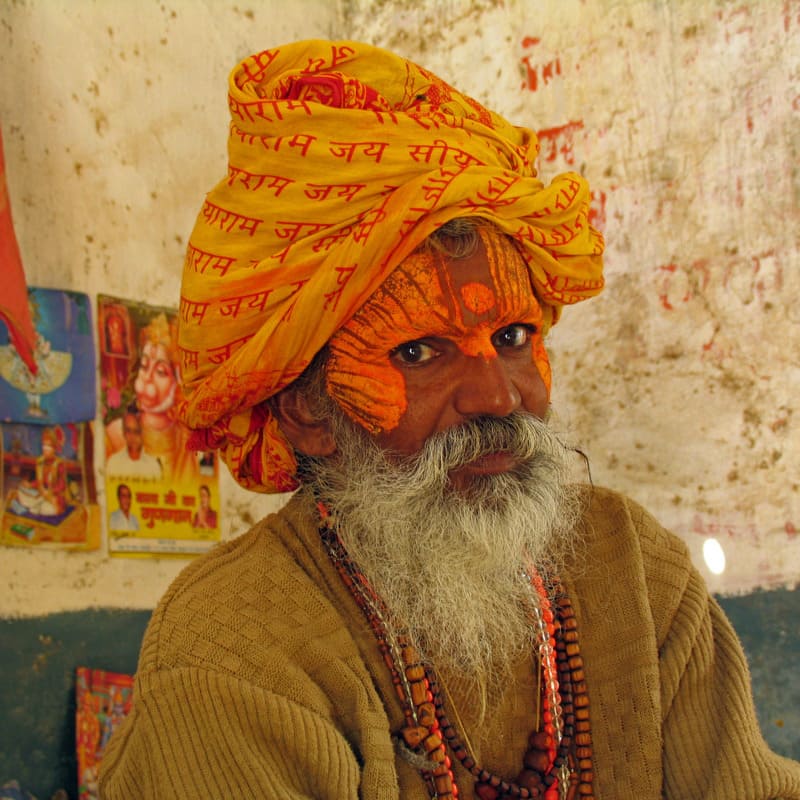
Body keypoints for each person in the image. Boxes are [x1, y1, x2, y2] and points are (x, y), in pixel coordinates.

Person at [100, 40, 800, 800]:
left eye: (513, 338)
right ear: (304, 410)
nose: (497, 397)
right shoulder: (231, 648)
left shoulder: (633, 568)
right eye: (421, 351)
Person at [105, 313, 198, 484]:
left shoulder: (186, 442)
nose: (147, 377)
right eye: (144, 365)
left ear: (178, 382)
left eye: (161, 371)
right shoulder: (114, 435)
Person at [7, 426, 67, 517]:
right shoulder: (40, 462)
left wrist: (51, 492)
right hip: (40, 495)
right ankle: (34, 507)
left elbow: (62, 485)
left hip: (53, 498)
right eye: (44, 445)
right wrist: (30, 485)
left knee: (46, 508)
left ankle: (35, 508)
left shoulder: (59, 464)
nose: (45, 449)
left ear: (54, 448)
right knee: (20, 491)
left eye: (49, 446)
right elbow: (39, 483)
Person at [105, 409, 163, 480]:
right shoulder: (113, 463)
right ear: (123, 432)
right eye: (128, 431)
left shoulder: (153, 466)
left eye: (136, 431)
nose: (132, 437)